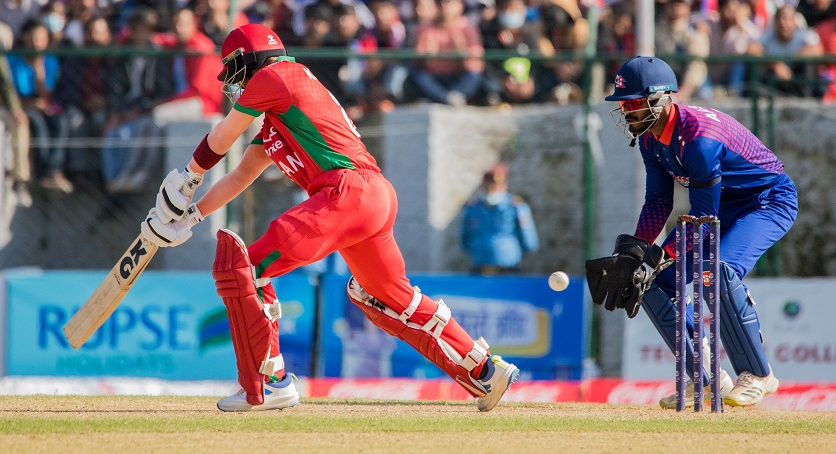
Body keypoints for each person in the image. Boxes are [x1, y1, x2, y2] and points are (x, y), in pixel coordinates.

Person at [139, 23, 519, 412]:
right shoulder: (278, 114)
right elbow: (240, 176)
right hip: (371, 196)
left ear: (251, 60)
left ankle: (270, 383)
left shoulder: (275, 75)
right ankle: (484, 370)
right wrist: (190, 217)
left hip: (346, 192)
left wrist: (187, 178)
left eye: (235, 71)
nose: (234, 83)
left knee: (246, 269)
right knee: (388, 298)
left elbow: (222, 136)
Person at [585, 56, 798, 409]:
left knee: (717, 270)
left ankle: (758, 375)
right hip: (722, 205)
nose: (626, 113)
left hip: (767, 200)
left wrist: (659, 255)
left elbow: (702, 219)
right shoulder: (651, 140)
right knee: (652, 283)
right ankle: (705, 377)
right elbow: (657, 202)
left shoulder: (699, 140)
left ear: (660, 100)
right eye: (623, 106)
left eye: (633, 104)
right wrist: (637, 252)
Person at [461, 163, 539, 274]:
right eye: (488, 185)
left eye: (496, 186)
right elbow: (465, 238)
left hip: (509, 268)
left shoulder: (515, 207)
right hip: (479, 267)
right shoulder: (472, 208)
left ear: (504, 186)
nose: (491, 189)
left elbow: (529, 240)